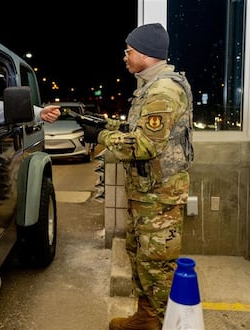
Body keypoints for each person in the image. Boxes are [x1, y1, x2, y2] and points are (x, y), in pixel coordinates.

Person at [79, 23, 193, 330]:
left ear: (144, 53)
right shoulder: (149, 89)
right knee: (140, 255)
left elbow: (144, 145)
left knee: (156, 264)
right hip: (146, 194)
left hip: (160, 198)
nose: (125, 56)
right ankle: (146, 316)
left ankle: (157, 322)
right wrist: (105, 125)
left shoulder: (163, 91)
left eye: (129, 51)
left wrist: (102, 135)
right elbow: (137, 132)